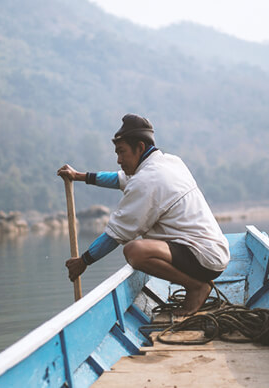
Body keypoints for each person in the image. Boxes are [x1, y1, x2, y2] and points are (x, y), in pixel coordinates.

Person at [57, 114, 229, 316]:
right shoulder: (170, 162)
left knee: (135, 251)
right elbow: (119, 179)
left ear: (139, 147)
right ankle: (197, 284)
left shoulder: (147, 180)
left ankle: (196, 287)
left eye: (122, 152)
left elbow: (115, 235)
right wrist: (79, 176)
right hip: (215, 253)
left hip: (202, 257)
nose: (119, 160)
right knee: (136, 249)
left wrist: (83, 261)